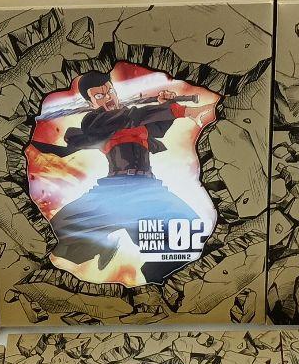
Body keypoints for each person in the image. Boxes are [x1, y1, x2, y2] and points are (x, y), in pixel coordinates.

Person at [29, 70, 213, 281]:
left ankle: (154, 280)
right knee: (62, 227)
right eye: (99, 96)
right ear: (90, 103)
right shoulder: (95, 121)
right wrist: (184, 111)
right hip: (115, 188)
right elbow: (130, 117)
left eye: (110, 91)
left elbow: (158, 126)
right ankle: (103, 245)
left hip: (147, 188)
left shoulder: (135, 118)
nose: (107, 97)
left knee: (187, 233)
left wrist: (165, 105)